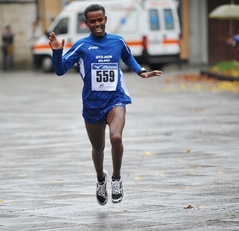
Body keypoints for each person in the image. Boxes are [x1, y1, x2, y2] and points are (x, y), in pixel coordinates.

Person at [48, 4, 162, 205]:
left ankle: (116, 178)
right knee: (98, 148)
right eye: (92, 21)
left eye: (100, 20)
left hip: (115, 99)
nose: (97, 24)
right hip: (92, 104)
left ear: (105, 19)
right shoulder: (82, 46)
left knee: (116, 138)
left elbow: (128, 58)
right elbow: (60, 70)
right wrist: (57, 52)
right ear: (87, 23)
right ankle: (101, 179)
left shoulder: (117, 41)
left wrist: (142, 71)